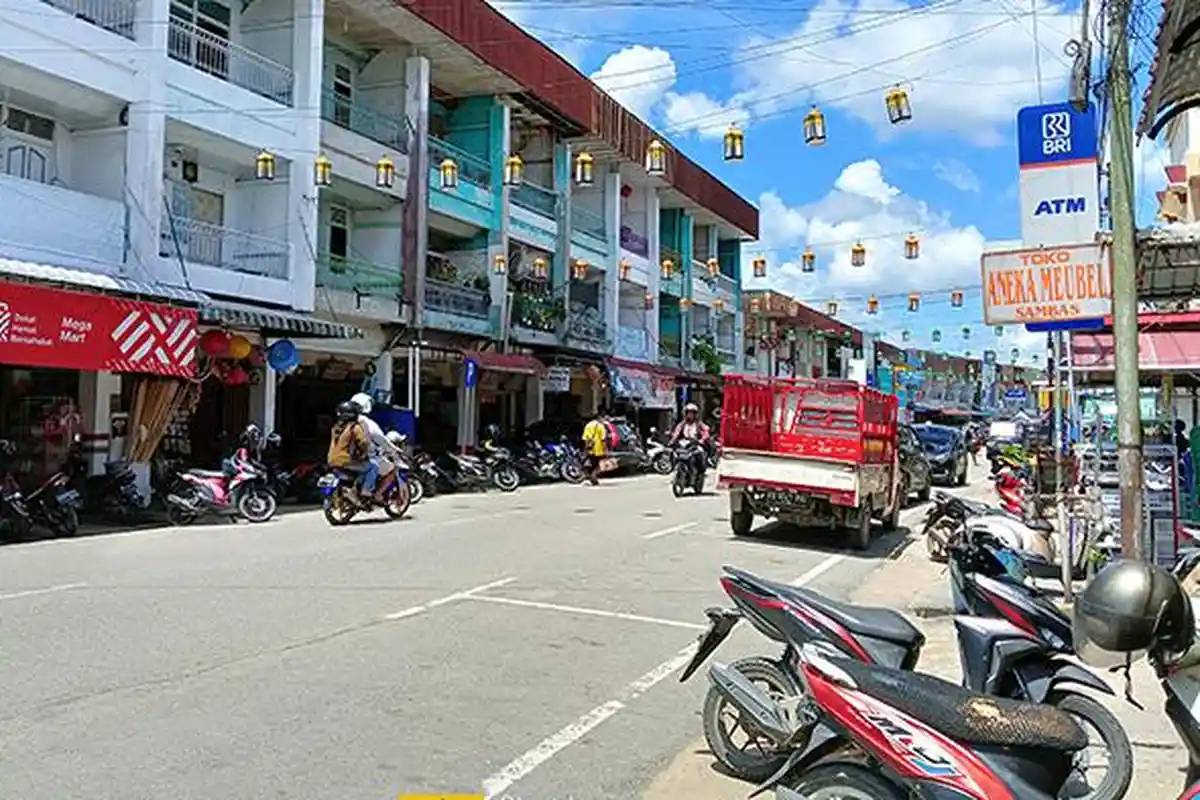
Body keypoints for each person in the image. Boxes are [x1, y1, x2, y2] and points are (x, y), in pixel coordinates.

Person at [350, 392, 396, 502]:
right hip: (363, 458)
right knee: (391, 470)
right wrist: (393, 449)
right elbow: (380, 439)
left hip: (345, 457)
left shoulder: (344, 421)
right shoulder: (367, 422)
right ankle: (377, 494)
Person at [327, 402, 370, 483]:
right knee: (370, 467)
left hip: (331, 461)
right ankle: (360, 490)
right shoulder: (355, 428)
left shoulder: (335, 427)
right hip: (345, 462)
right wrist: (364, 454)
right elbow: (363, 443)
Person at [669, 402, 711, 476]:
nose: (690, 415)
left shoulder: (699, 423)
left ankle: (700, 472)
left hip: (695, 443)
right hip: (684, 444)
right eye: (688, 412)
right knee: (673, 452)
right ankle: (674, 469)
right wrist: (672, 441)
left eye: (692, 413)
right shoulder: (682, 424)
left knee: (700, 452)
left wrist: (702, 439)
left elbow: (705, 431)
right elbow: (676, 432)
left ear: (695, 414)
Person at [581, 412, 608, 486]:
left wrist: (586, 448)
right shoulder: (600, 426)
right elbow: (603, 439)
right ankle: (593, 476)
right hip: (598, 449)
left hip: (590, 448)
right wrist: (605, 450)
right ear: (599, 418)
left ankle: (591, 478)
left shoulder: (588, 425)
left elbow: (585, 438)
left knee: (592, 464)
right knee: (599, 465)